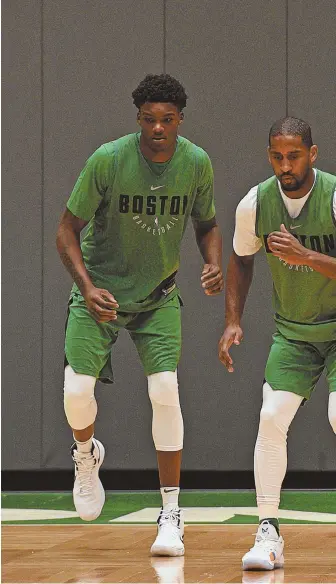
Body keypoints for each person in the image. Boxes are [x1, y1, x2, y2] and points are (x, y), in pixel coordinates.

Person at [56, 73, 223, 556]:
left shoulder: (196, 163)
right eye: (149, 119)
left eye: (167, 120)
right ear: (138, 120)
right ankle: (86, 454)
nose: (157, 128)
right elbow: (66, 231)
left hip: (158, 297)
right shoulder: (108, 160)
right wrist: (86, 288)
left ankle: (171, 513)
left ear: (180, 121)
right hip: (100, 295)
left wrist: (213, 261)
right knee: (76, 393)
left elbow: (207, 224)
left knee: (165, 390)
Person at [218, 117, 336, 571]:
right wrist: (233, 320)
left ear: (312, 153)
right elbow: (242, 260)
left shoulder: (331, 195)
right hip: (295, 330)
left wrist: (305, 254)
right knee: (270, 417)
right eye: (277, 156)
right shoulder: (255, 204)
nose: (285, 165)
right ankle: (268, 531)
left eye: (294, 155)